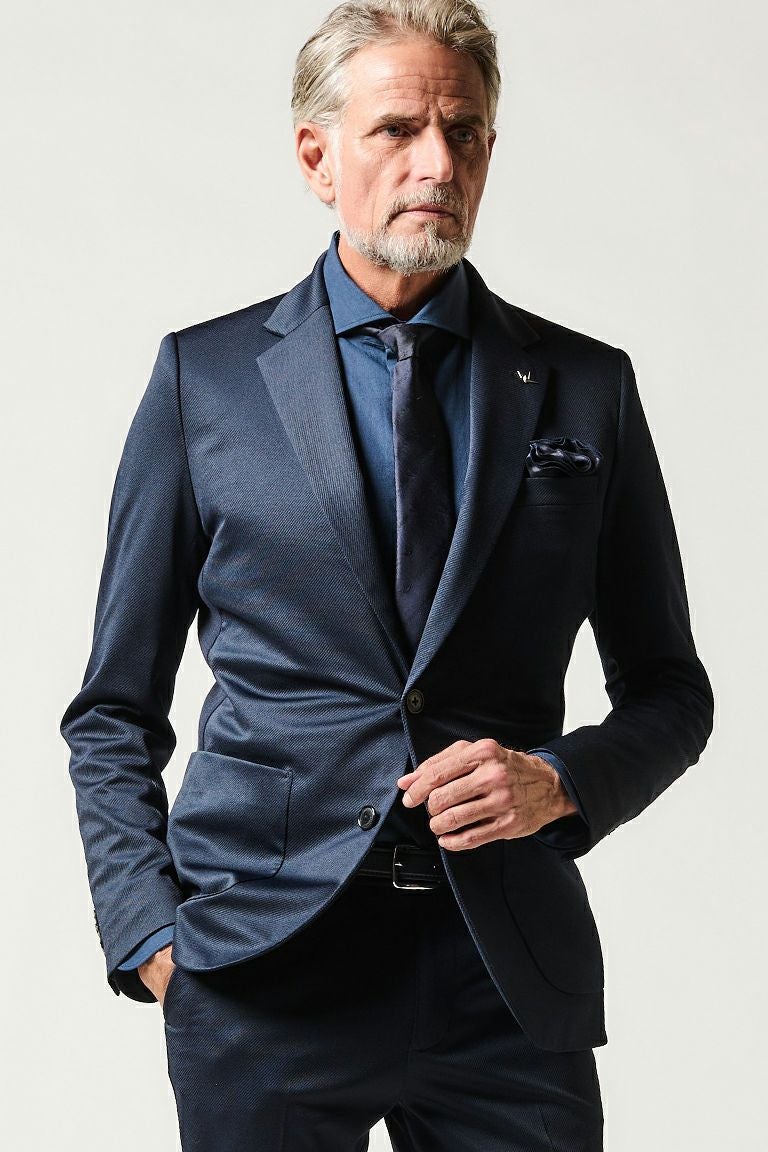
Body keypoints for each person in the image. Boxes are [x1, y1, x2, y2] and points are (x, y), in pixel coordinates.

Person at [60, 2, 714, 1148]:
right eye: (399, 129)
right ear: (318, 156)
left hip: (507, 976)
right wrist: (152, 938)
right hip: (263, 968)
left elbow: (671, 691)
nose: (437, 164)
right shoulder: (205, 382)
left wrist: (559, 780)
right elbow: (113, 709)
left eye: (464, 133)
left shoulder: (586, 388)